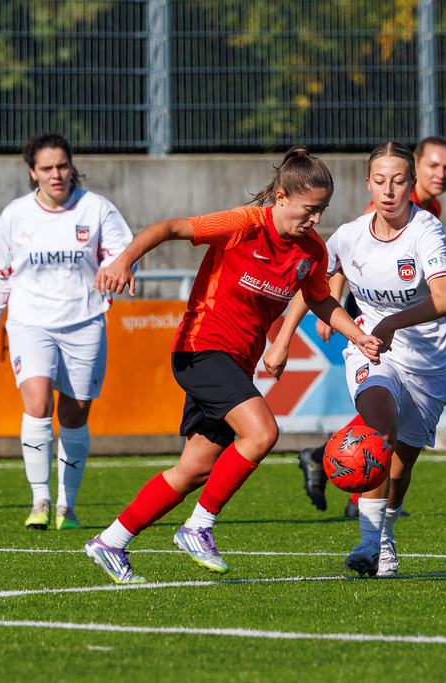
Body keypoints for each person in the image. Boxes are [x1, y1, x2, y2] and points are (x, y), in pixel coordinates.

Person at [82, 147, 383, 584]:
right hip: (200, 349)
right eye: (310, 209)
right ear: (281, 197)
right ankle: (198, 528)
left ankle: (111, 541)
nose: (317, 219)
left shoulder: (312, 251)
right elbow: (169, 227)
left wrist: (357, 334)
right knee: (262, 432)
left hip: (235, 364)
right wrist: (124, 260)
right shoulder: (245, 224)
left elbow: (319, 298)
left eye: (323, 210)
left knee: (194, 469)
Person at [265, 142, 446, 576]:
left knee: (400, 467)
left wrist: (394, 323)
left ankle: (385, 536)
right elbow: (314, 276)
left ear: (412, 185)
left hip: (428, 359)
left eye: (398, 181)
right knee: (377, 428)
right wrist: (285, 337)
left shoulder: (426, 229)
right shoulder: (351, 233)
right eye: (379, 180)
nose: (388, 190)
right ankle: (371, 546)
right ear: (368, 183)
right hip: (371, 349)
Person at [0, 132, 135, 531]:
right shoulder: (15, 215)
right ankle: (40, 500)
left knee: (74, 414)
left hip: (85, 323)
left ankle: (67, 505)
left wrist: (119, 267)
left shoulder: (97, 209)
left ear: (71, 166)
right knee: (37, 404)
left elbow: (124, 253)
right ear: (33, 172)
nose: (56, 174)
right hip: (30, 323)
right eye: (46, 168)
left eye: (62, 165)